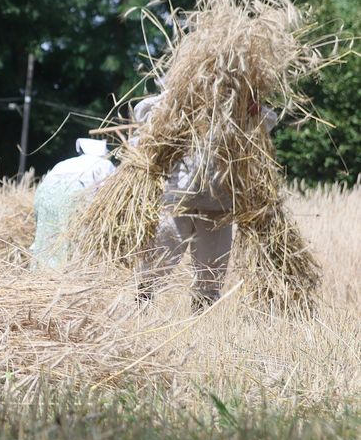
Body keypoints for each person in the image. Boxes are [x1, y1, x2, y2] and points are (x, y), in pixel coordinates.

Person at [134, 94, 278, 311]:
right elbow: (142, 113)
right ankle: (142, 306)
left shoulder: (237, 98)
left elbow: (269, 122)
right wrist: (175, 98)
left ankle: (201, 320)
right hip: (179, 197)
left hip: (219, 201)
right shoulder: (182, 91)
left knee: (211, 269)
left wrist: (252, 108)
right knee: (161, 254)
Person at [31, 138, 117, 269]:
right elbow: (109, 192)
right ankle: (67, 270)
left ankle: (43, 271)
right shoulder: (104, 164)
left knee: (48, 234)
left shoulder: (65, 162)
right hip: (72, 195)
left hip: (44, 194)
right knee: (71, 235)